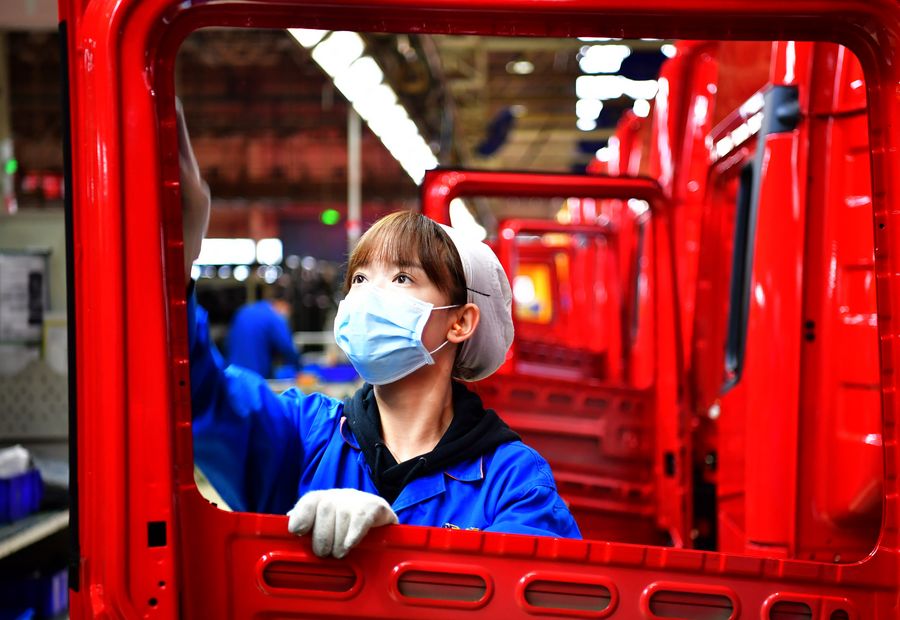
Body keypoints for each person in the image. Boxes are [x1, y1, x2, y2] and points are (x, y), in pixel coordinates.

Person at [178, 103, 581, 560]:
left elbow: (532, 586)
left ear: (460, 321)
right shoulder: (304, 434)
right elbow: (196, 395)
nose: (368, 296)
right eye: (360, 278)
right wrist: (176, 263)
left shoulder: (513, 481)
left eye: (402, 278)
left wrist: (395, 548)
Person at [226, 282, 300, 378]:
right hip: (255, 375)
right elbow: (287, 348)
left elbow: (227, 343)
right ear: (284, 304)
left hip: (232, 373)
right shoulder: (274, 317)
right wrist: (299, 367)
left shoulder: (244, 310)